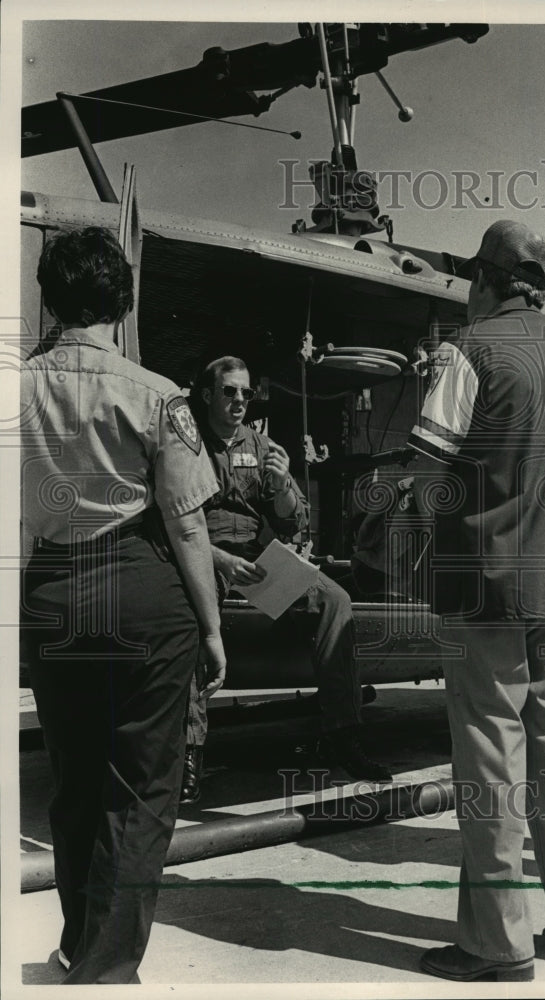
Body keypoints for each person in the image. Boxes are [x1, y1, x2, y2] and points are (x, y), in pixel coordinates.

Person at [20, 227, 225, 984]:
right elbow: (188, 521)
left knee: (73, 778)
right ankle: (107, 969)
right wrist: (210, 628)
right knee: (141, 786)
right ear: (122, 299)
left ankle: (79, 941)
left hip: (51, 593)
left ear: (50, 299)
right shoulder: (158, 394)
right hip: (140, 589)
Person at [409, 220, 545, 982]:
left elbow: (429, 476)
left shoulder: (472, 348)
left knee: (493, 764)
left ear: (486, 279)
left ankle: (498, 944)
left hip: (487, 588)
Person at [180, 355, 392, 803]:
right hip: (203, 555)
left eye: (246, 392)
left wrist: (279, 484)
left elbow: (293, 524)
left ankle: (343, 735)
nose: (240, 400)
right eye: (229, 391)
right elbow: (176, 521)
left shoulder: (260, 446)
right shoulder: (186, 442)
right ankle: (189, 753)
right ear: (206, 395)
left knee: (333, 599)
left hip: (256, 560)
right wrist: (218, 561)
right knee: (191, 616)